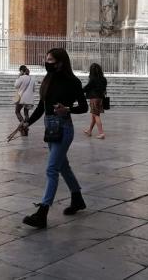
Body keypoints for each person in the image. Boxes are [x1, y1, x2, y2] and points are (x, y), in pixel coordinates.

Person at [18, 48, 89, 229]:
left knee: (51, 169)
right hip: (50, 127)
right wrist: (27, 122)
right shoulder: (48, 80)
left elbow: (83, 107)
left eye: (50, 59)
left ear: (60, 62)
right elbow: (42, 107)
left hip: (64, 128)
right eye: (46, 58)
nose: (46, 62)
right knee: (62, 166)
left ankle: (42, 212)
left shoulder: (73, 82)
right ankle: (77, 198)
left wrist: (67, 109)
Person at [83, 63, 107, 139]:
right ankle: (90, 130)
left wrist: (80, 91)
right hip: (100, 98)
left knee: (96, 115)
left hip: (94, 99)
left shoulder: (93, 79)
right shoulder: (103, 79)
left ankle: (101, 133)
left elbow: (87, 87)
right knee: (94, 115)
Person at [13, 65, 35, 136]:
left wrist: (18, 77)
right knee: (26, 114)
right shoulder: (32, 78)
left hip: (21, 98)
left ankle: (22, 124)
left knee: (17, 111)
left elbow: (16, 85)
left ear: (22, 71)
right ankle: (25, 129)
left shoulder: (21, 77)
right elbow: (34, 90)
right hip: (29, 99)